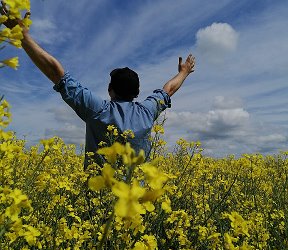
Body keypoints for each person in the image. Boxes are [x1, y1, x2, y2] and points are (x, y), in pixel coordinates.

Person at [1, 2, 196, 168]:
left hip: (97, 207)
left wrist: (23, 36)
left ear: (109, 90)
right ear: (137, 92)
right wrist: (183, 72)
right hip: (137, 207)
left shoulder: (98, 110)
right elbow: (168, 89)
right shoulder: (147, 112)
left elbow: (56, 73)